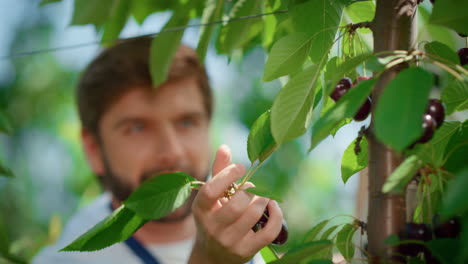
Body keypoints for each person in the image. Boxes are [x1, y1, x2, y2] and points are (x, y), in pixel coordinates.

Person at [32, 36, 284, 264]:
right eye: (137, 128)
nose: (172, 151)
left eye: (186, 122)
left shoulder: (248, 228)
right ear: (93, 149)